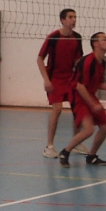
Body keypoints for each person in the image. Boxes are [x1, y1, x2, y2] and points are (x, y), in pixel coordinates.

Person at [58, 32, 106, 167]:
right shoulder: (88, 61)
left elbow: (94, 82)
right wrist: (93, 105)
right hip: (77, 95)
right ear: (96, 44)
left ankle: (92, 156)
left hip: (88, 94)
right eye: (104, 39)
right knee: (88, 130)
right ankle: (65, 152)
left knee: (105, 127)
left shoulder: (102, 62)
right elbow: (80, 86)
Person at [38, 9, 87, 158]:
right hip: (55, 79)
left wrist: (80, 77)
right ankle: (49, 146)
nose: (74, 20)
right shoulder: (53, 37)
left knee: (76, 108)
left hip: (70, 79)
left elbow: (78, 60)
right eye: (70, 17)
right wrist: (46, 80)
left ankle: (76, 142)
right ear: (62, 20)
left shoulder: (77, 37)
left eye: (75, 17)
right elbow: (40, 59)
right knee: (57, 109)